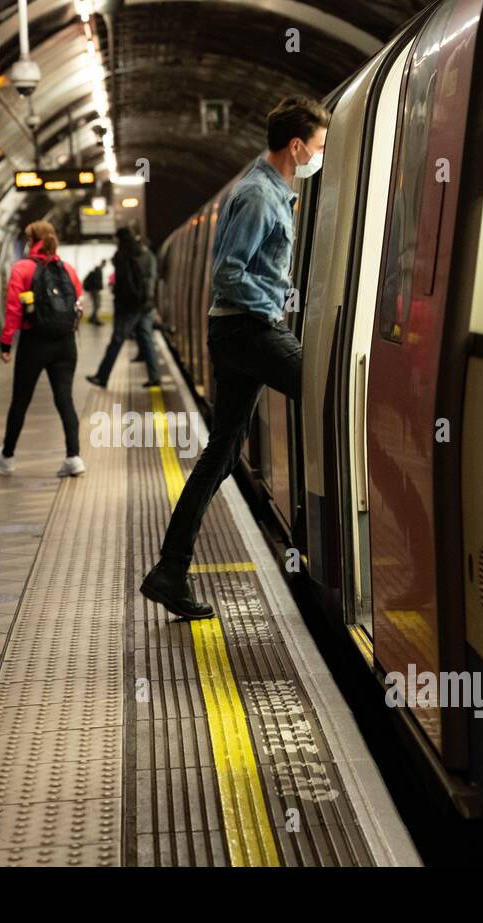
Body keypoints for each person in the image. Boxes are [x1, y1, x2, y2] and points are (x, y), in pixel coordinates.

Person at [140, 94, 328, 620]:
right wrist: (274, 309)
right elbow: (227, 272)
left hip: (238, 330)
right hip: (247, 330)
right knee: (330, 391)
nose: (319, 156)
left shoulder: (268, 189)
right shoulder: (258, 196)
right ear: (297, 146)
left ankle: (168, 573)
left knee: (222, 454)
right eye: (317, 147)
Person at [0, 220, 86, 478]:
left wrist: (6, 343)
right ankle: (74, 457)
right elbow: (78, 302)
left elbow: (13, 310)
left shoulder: (22, 268)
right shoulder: (68, 269)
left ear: (31, 242)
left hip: (34, 342)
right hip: (65, 343)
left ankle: (7, 456)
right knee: (65, 399)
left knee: (20, 400)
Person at [85, 227, 161, 388]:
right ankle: (155, 377)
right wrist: (148, 298)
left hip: (128, 306)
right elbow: (152, 279)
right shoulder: (148, 255)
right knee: (146, 338)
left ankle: (102, 376)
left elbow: (122, 284)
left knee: (117, 339)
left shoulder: (122, 255)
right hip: (146, 304)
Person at [131, 237, 159, 364]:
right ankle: (142, 354)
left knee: (145, 333)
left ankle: (154, 373)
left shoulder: (149, 258)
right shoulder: (140, 257)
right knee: (141, 331)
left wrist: (149, 295)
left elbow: (152, 278)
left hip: (145, 300)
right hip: (140, 299)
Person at [84, 260, 106, 326]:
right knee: (97, 305)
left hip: (94, 290)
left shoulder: (97, 270)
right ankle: (94, 319)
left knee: (96, 305)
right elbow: (97, 281)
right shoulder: (98, 270)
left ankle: (92, 318)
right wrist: (99, 287)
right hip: (95, 290)